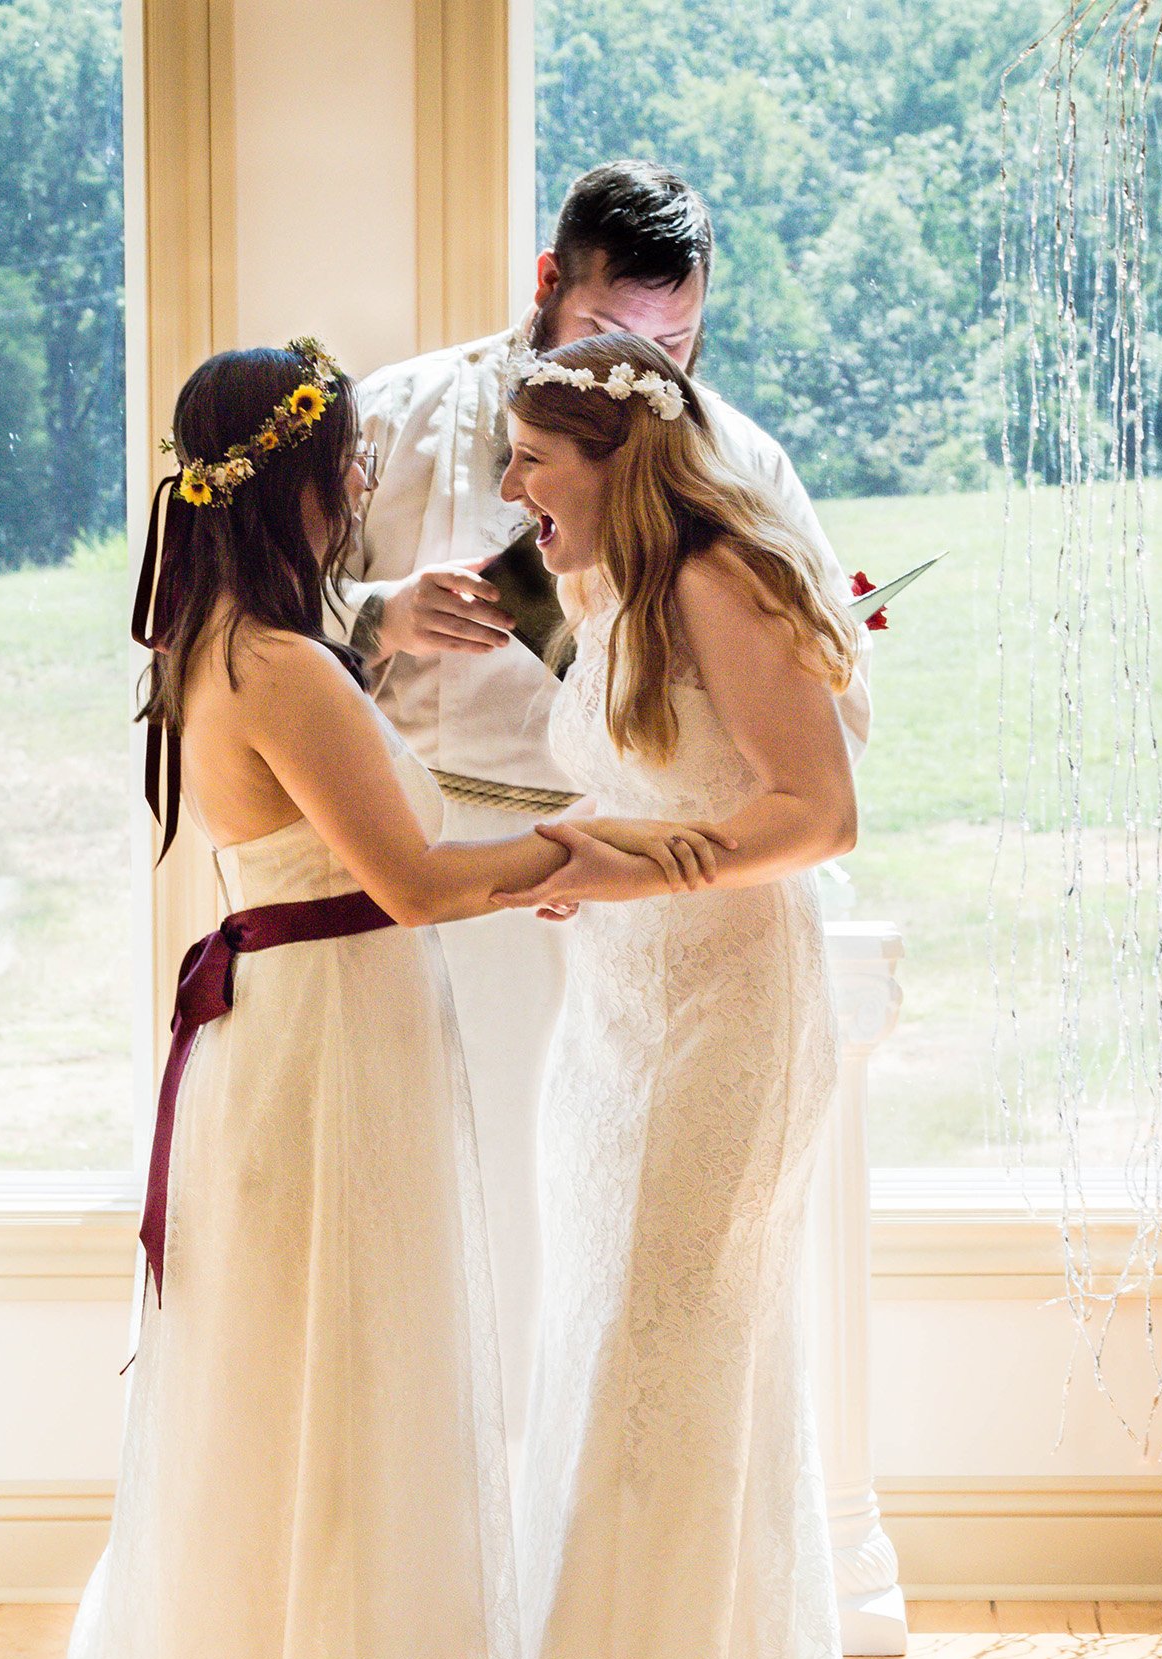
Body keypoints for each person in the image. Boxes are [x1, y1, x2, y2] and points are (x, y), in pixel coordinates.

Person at [0, 339, 730, 1659]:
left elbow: (382, 841)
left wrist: (539, 835)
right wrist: (599, 856)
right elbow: (410, 882)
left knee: (269, 1395)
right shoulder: (285, 664)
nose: (363, 504)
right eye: (353, 480)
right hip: (328, 1048)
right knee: (340, 1394)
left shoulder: (218, 639)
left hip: (302, 1035)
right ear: (313, 489)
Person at [340, 159, 871, 1454]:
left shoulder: (737, 465)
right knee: (442, 1274)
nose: (655, 383)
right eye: (611, 343)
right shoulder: (394, 421)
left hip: (649, 922)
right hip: (425, 892)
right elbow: (242, 648)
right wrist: (379, 620)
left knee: (630, 1318)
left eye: (678, 348)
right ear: (545, 286)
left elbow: (834, 731)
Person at [489, 332, 871, 1659]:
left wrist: (632, 866)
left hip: (729, 1014)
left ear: (613, 461)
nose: (513, 491)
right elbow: (662, 794)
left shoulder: (717, 576)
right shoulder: (607, 601)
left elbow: (822, 812)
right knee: (604, 1351)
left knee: (681, 1363)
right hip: (619, 1021)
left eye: (533, 462)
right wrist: (602, 860)